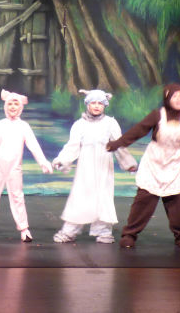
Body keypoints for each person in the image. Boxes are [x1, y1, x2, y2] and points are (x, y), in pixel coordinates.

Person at [106, 83, 180, 248]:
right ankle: (130, 234)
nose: (179, 99)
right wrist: (117, 143)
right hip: (154, 161)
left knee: (178, 199)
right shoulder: (157, 115)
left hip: (174, 162)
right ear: (167, 98)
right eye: (175, 96)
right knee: (144, 199)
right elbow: (138, 130)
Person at [52, 89, 137, 244]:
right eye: (93, 103)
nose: (97, 106)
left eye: (100, 103)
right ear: (87, 105)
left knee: (103, 197)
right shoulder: (80, 125)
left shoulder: (110, 123)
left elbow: (119, 145)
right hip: (86, 167)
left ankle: (103, 231)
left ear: (104, 105)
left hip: (104, 166)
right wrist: (62, 160)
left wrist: (129, 164)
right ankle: (69, 231)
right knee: (80, 197)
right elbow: (72, 146)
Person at [0, 90, 53, 242]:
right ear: (5, 106)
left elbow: (34, 145)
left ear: (20, 107)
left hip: (14, 168)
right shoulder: (1, 125)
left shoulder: (24, 126)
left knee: (17, 197)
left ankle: (24, 229)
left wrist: (43, 162)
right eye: (10, 104)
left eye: (16, 104)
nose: (13, 107)